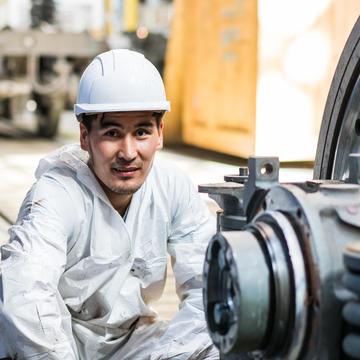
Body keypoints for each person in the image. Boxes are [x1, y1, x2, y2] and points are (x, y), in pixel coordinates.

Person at [0, 49, 219, 359]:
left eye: (141, 132)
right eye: (112, 133)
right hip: (57, 344)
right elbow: (25, 291)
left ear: (160, 135)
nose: (128, 152)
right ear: (84, 136)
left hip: (132, 342)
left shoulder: (172, 187)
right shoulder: (56, 195)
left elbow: (208, 288)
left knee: (219, 344)